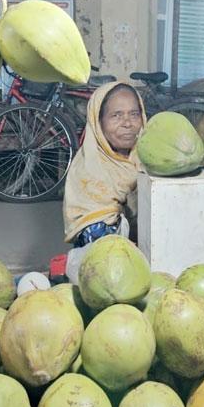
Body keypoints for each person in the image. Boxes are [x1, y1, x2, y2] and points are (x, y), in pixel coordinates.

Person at [61, 81, 147, 282]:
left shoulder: (147, 158)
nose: (127, 123)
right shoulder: (88, 170)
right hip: (109, 267)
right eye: (116, 115)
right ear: (98, 122)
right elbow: (100, 249)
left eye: (134, 114)